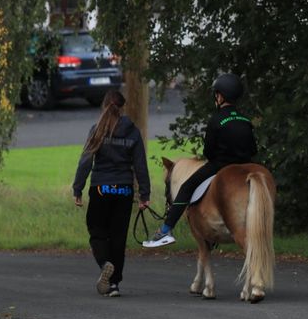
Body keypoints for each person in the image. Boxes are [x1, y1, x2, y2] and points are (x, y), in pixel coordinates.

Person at [143, 73, 257, 247]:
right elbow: (253, 149)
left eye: (216, 94)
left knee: (187, 187)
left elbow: (209, 151)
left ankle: (165, 230)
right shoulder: (245, 121)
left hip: (220, 165)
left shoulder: (216, 120)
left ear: (220, 96)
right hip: (246, 167)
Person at [72, 90, 150, 297]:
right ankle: (114, 284)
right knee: (118, 237)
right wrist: (144, 194)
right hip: (124, 189)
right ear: (122, 108)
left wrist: (77, 189)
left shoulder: (97, 130)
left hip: (100, 189)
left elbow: (85, 162)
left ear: (104, 105)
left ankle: (105, 263)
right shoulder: (133, 132)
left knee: (97, 231)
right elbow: (140, 165)